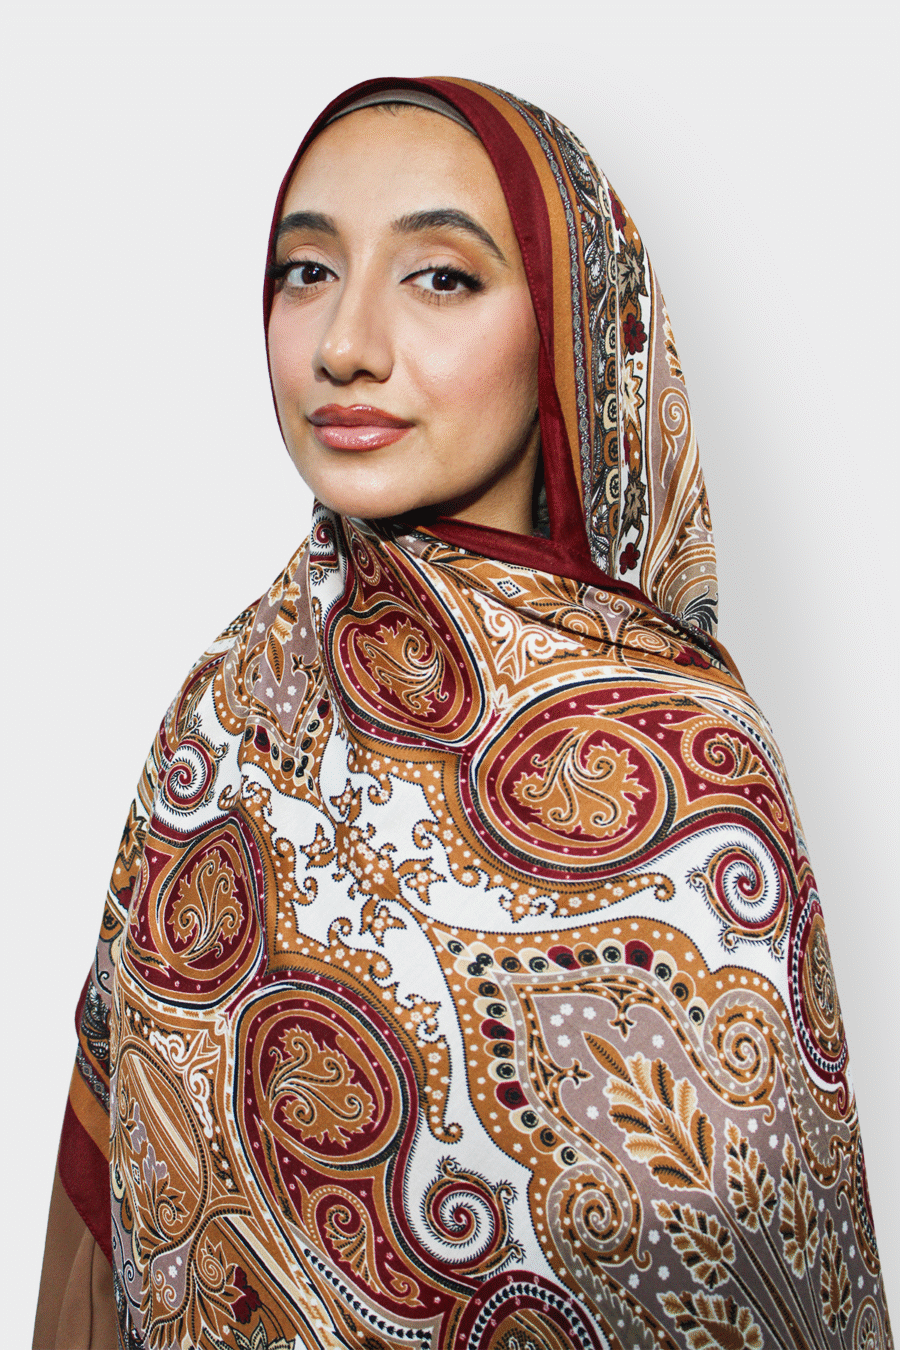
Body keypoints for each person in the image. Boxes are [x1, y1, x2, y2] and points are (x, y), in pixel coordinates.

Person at [34, 76, 892, 1350]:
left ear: (569, 320)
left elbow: (761, 1267)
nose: (345, 344)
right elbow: (108, 1214)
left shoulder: (695, 766)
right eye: (307, 271)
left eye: (439, 277)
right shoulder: (225, 711)